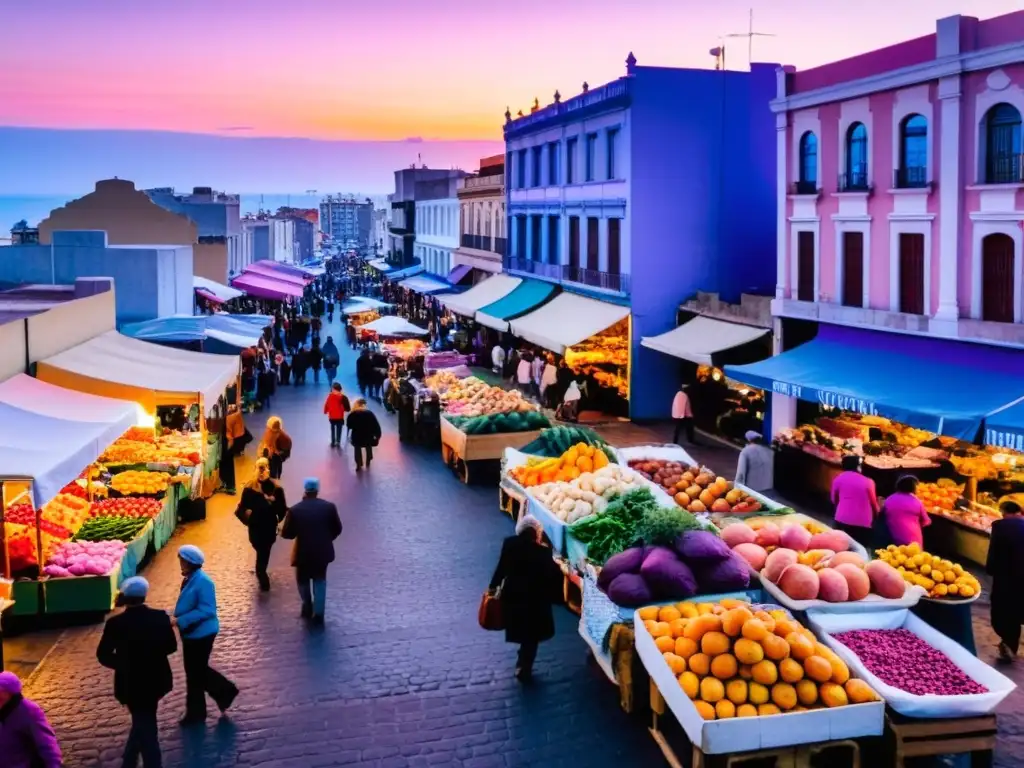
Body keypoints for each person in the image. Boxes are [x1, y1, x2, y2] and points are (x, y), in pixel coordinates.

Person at [96, 576, 177, 768]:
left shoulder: (115, 624)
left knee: (143, 720)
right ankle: (132, 759)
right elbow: (171, 646)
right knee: (146, 719)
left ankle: (140, 761)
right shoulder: (160, 618)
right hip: (157, 679)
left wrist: (124, 664)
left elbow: (103, 654)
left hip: (129, 682)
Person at [488, 515, 563, 681]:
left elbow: (502, 568)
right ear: (536, 532)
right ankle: (524, 664)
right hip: (536, 601)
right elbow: (553, 577)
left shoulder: (509, 544)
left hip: (513, 597)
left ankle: (522, 658)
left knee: (521, 629)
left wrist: (492, 587)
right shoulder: (543, 552)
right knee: (532, 636)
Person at [173, 545, 238, 725]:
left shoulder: (203, 582)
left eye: (182, 560)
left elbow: (207, 610)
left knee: (195, 672)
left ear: (189, 562)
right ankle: (206, 705)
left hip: (201, 634)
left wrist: (181, 620)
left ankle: (205, 706)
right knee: (195, 671)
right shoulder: (191, 579)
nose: (180, 563)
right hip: (192, 633)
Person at [280, 478, 343, 625]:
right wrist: (327, 538)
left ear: (305, 490)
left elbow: (287, 534)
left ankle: (307, 605)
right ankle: (319, 612)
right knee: (320, 579)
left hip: (302, 552)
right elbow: (337, 529)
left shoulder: (295, 510)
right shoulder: (329, 507)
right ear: (317, 490)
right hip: (322, 552)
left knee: (302, 580)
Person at [235, 461, 287, 591]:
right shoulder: (252, 489)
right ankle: (261, 571)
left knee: (263, 550)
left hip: (263, 527)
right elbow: (241, 509)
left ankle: (262, 575)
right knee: (262, 549)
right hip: (261, 527)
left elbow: (281, 510)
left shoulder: (274, 490)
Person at [0, 671, 63, 768]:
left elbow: (47, 744)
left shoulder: (29, 710)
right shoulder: (3, 708)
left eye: (1, 690)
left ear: (10, 692)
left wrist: (53, 765)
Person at [988, 500, 1024, 662]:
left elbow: (993, 553)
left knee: (1006, 611)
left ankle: (1009, 645)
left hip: (1005, 578)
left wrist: (990, 569)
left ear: (1004, 512)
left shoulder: (1000, 527)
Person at [830, 455, 880, 548]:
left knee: (838, 549)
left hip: (841, 521)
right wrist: (878, 517)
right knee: (860, 553)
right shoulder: (869, 482)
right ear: (858, 467)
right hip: (863, 525)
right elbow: (874, 505)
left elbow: (834, 500)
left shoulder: (838, 479)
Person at [881, 475, 931, 548]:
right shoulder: (917, 501)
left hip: (893, 538)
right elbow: (926, 521)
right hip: (914, 540)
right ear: (913, 488)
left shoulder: (889, 499)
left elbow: (883, 514)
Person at [346, 398, 381, 470]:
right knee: (368, 446)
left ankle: (358, 464)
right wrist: (378, 435)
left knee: (357, 448)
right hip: (368, 435)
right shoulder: (369, 413)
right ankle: (368, 460)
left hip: (357, 435)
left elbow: (349, 425)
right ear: (364, 405)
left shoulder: (352, 414)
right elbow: (375, 425)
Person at [324, 382, 348, 447]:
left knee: (332, 429)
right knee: (339, 429)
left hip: (332, 416)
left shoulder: (330, 396)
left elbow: (327, 404)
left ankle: (333, 441)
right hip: (339, 416)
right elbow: (346, 406)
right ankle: (338, 441)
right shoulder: (342, 396)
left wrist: (325, 411)